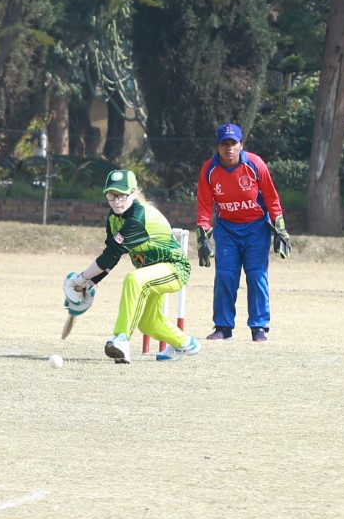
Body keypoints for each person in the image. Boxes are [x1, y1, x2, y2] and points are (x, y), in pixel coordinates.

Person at [69, 169, 199, 362]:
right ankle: (185, 344)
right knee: (148, 323)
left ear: (134, 193)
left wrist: (80, 279)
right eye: (111, 195)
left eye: (122, 195)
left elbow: (111, 254)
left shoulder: (138, 218)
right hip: (150, 272)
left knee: (134, 279)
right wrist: (87, 283)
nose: (116, 201)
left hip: (174, 269)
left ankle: (121, 339)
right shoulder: (113, 218)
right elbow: (110, 258)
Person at [194, 123, 289, 343]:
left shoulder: (255, 164)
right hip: (226, 228)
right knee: (226, 275)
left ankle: (259, 327)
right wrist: (202, 233)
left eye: (233, 143)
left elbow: (271, 197)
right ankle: (223, 327)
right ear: (217, 146)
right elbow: (205, 205)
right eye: (224, 144)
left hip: (256, 227)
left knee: (256, 275)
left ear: (241, 144)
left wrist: (280, 226)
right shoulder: (209, 170)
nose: (229, 148)